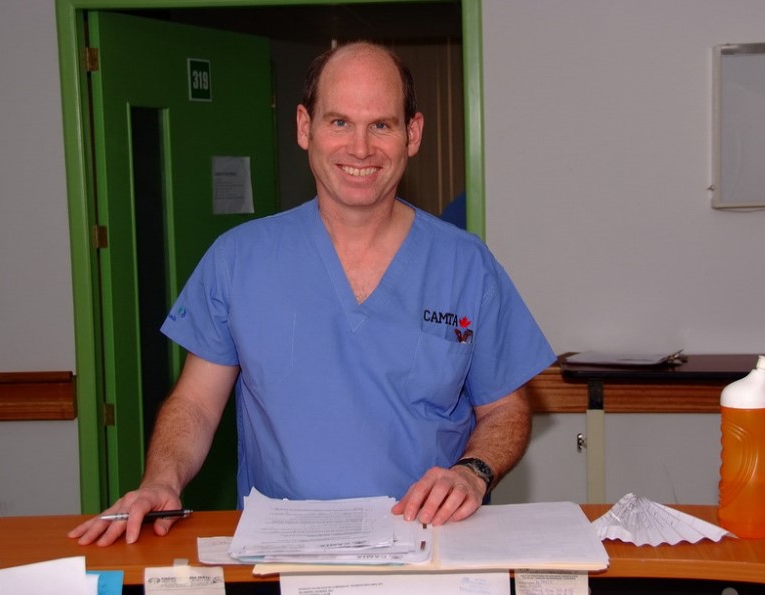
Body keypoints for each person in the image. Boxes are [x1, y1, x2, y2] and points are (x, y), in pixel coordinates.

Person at [69, 41, 555, 547]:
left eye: (381, 125)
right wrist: (160, 481)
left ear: (413, 134)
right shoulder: (238, 259)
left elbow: (505, 409)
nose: (360, 148)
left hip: (427, 545)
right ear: (305, 127)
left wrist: (472, 471)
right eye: (339, 122)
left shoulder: (466, 266)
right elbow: (195, 404)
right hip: (283, 551)